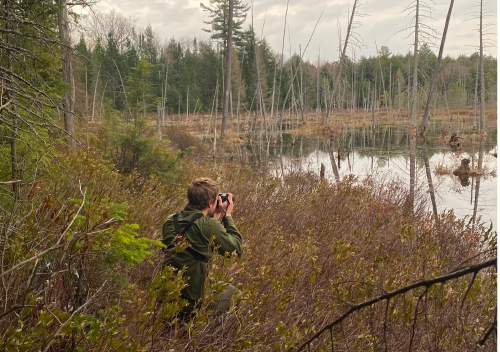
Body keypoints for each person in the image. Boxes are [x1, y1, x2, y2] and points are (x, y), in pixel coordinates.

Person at [162, 177, 243, 319]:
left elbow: (197, 237)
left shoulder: (170, 220)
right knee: (234, 293)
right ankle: (207, 328)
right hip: (193, 299)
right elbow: (236, 250)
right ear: (210, 202)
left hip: (167, 296)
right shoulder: (209, 225)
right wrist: (227, 216)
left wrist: (215, 217)